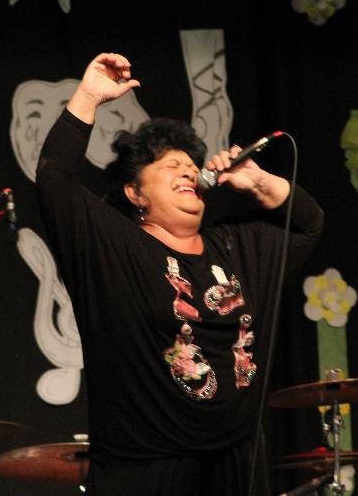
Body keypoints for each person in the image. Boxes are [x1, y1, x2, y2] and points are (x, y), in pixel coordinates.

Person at [35, 53, 324, 495]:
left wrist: (260, 182)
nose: (188, 169)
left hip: (235, 465)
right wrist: (89, 96)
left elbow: (309, 224)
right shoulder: (114, 246)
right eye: (170, 165)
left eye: (191, 165)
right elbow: (55, 180)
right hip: (144, 468)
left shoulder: (236, 246)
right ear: (135, 193)